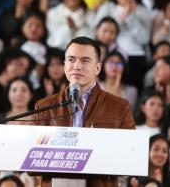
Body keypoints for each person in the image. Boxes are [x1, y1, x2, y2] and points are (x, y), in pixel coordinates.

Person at [30, 36, 135, 186]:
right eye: (71, 59)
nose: (77, 66)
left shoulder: (119, 107)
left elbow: (129, 159)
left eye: (85, 60)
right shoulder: (44, 107)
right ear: (65, 65)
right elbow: (31, 162)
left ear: (97, 68)